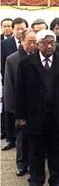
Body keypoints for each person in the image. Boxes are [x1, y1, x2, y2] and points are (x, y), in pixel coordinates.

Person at [16, 30, 59, 186]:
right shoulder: (26, 64)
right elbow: (20, 91)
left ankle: (56, 179)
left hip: (57, 114)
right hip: (34, 115)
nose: (49, 46)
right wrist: (21, 115)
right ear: (38, 45)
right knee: (35, 151)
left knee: (56, 149)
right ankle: (36, 180)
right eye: (45, 43)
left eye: (52, 43)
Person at [3, 28, 37, 177]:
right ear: (22, 41)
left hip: (38, 105)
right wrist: (14, 109)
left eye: (35, 42)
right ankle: (22, 163)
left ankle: (35, 163)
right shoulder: (12, 59)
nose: (32, 45)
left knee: (37, 137)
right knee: (22, 137)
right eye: (29, 42)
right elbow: (9, 85)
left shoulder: (40, 56)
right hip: (21, 105)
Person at [1, 17, 28, 152]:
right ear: (13, 30)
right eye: (17, 29)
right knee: (9, 111)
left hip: (25, 85)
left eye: (22, 28)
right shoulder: (4, 44)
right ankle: (10, 138)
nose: (20, 31)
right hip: (9, 80)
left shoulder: (31, 44)